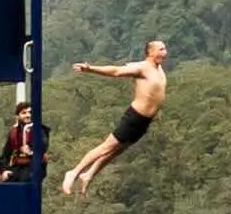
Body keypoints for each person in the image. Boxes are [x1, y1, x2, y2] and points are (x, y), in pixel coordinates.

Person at [60, 40, 170, 198]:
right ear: (150, 52)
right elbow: (116, 71)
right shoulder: (142, 68)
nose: (164, 53)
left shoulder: (158, 69)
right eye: (161, 49)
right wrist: (90, 69)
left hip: (144, 122)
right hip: (134, 118)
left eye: (165, 49)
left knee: (116, 150)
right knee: (106, 147)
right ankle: (73, 172)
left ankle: (89, 174)